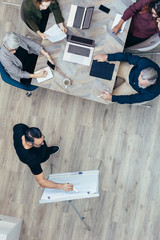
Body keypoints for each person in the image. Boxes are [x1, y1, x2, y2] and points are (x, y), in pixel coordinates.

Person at [13, 123, 73, 191]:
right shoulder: (32, 160)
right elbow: (41, 182)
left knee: (45, 149)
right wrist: (60, 186)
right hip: (39, 156)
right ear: (29, 143)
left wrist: (39, 144)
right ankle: (47, 152)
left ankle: (47, 150)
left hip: (36, 149)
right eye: (39, 143)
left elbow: (16, 127)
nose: (43, 143)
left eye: (42, 138)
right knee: (44, 156)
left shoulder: (19, 127)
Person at [94, 52, 160, 104]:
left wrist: (111, 98)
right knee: (102, 63)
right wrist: (106, 57)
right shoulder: (145, 63)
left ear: (153, 82)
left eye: (142, 84)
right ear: (141, 72)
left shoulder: (153, 93)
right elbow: (127, 57)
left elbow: (132, 99)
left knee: (105, 97)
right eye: (139, 79)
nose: (139, 83)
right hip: (129, 71)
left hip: (132, 87)